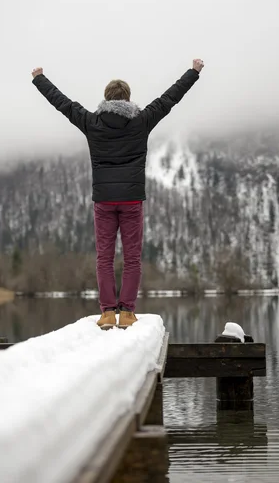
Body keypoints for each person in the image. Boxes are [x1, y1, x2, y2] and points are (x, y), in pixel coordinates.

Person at [31, 59, 205, 328]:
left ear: (106, 98)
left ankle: (107, 313)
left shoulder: (92, 122)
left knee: (105, 257)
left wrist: (40, 79)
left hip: (103, 201)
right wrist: (193, 72)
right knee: (132, 257)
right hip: (132, 200)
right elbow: (171, 97)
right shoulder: (141, 121)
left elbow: (62, 103)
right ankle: (126, 312)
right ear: (128, 99)